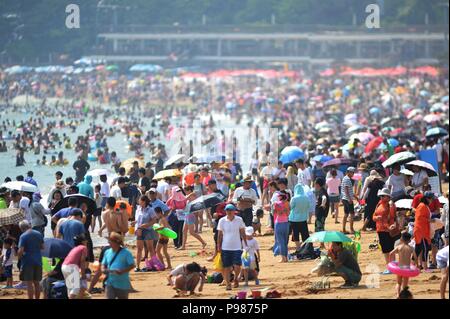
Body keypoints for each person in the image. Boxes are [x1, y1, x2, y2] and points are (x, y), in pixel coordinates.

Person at [217, 204, 247, 291]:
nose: (229, 212)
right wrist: (218, 245)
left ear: (234, 211)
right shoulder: (222, 220)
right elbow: (219, 235)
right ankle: (228, 283)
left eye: (231, 210)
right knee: (226, 267)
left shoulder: (239, 220)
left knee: (237, 266)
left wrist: (245, 243)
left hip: (237, 246)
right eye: (227, 210)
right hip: (225, 247)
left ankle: (236, 279)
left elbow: (242, 232)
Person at [372, 188, 399, 274]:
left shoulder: (390, 205)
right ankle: (389, 266)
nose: (381, 198)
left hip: (387, 229)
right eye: (380, 196)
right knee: (385, 250)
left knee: (390, 250)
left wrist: (391, 206)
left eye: (383, 196)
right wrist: (377, 218)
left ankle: (392, 267)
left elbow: (392, 215)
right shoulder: (379, 204)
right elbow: (373, 216)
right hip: (380, 229)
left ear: (388, 197)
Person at [102, 232, 135, 299]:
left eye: (110, 241)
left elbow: (132, 265)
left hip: (122, 284)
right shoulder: (107, 252)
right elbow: (103, 264)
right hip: (109, 282)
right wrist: (103, 270)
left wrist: (122, 271)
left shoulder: (126, 252)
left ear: (116, 242)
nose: (108, 242)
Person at [17, 220, 44, 299]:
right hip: (38, 260)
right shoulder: (39, 234)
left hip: (27, 262)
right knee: (37, 283)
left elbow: (21, 250)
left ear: (21, 228)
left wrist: (19, 257)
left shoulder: (23, 236)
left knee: (29, 284)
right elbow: (42, 247)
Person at [132, 195, 157, 271]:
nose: (139, 202)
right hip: (139, 230)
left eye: (140, 201)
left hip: (148, 230)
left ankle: (154, 265)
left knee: (150, 248)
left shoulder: (150, 210)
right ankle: (137, 266)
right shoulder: (138, 209)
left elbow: (154, 220)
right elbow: (138, 220)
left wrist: (147, 225)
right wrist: (134, 223)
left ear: (144, 201)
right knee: (139, 249)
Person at [389, 231, 418, 298]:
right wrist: (417, 265)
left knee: (398, 283)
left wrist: (390, 263)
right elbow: (415, 258)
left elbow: (391, 253)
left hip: (400, 268)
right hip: (407, 268)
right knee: (405, 285)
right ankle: (405, 296)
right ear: (410, 240)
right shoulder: (411, 248)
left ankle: (398, 295)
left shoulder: (399, 247)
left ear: (401, 239)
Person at [61, 234, 89, 299]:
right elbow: (82, 261)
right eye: (85, 240)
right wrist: (83, 274)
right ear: (82, 241)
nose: (87, 241)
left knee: (70, 288)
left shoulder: (75, 248)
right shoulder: (83, 247)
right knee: (76, 288)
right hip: (72, 267)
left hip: (64, 266)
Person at [414, 192, 434, 272]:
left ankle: (414, 265)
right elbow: (419, 218)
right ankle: (425, 267)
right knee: (424, 248)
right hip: (421, 231)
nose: (432, 200)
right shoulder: (422, 206)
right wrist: (429, 220)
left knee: (418, 249)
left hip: (423, 230)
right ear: (427, 198)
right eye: (431, 198)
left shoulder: (424, 206)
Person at [289, 184, 311, 251]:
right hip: (303, 219)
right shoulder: (306, 198)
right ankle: (306, 247)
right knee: (305, 233)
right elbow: (308, 206)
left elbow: (291, 207)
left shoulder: (294, 198)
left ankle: (298, 248)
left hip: (294, 219)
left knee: (296, 234)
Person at [273, 192, 290, 263]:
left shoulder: (276, 203)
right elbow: (288, 213)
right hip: (286, 223)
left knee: (280, 242)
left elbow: (276, 212)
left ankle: (283, 258)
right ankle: (286, 257)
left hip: (279, 223)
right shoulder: (287, 204)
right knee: (285, 241)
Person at [341, 167, 358, 234]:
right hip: (347, 199)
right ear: (348, 172)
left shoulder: (345, 178)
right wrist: (350, 199)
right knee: (352, 214)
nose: (353, 174)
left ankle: (344, 229)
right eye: (352, 172)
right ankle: (351, 229)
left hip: (345, 198)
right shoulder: (347, 179)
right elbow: (346, 190)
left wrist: (355, 196)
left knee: (346, 214)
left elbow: (349, 191)